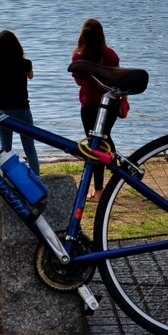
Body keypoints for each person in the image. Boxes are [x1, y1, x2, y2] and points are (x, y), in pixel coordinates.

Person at [71, 19, 120, 202]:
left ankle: (99, 189)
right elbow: (117, 78)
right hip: (110, 105)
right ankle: (118, 174)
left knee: (95, 146)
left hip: (90, 106)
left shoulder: (79, 57)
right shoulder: (110, 54)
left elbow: (78, 81)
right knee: (105, 139)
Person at [0, 30, 40, 175]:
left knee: (6, 148)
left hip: (4, 109)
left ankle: (7, 179)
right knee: (29, 147)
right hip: (22, 108)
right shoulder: (25, 64)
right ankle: (36, 176)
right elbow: (31, 76)